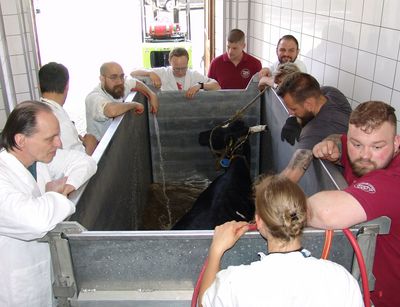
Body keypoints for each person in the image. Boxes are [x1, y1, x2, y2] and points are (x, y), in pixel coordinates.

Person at [198, 175, 363, 307]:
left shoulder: (236, 282)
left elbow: (204, 302)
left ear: (259, 221)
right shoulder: (339, 278)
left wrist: (216, 250)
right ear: (304, 216)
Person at [0, 101, 97, 306]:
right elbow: (36, 221)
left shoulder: (39, 159)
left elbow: (86, 162)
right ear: (20, 140)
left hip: (44, 276)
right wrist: (55, 195)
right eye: (50, 138)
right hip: (16, 289)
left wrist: (68, 186)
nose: (59, 144)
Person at [307, 101, 400, 307]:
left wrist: (281, 207)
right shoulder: (365, 157)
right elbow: (338, 140)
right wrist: (332, 145)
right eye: (356, 144)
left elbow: (326, 213)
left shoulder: (393, 179)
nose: (364, 155)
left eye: (377, 146)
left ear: (396, 143)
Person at [276, 72, 352, 183]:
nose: (290, 112)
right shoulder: (331, 93)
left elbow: (291, 176)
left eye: (294, 109)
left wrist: (262, 194)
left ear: (309, 104)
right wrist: (294, 118)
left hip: (345, 182)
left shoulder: (315, 131)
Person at [85, 61, 159, 141]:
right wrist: (134, 104)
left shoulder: (118, 88)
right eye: (113, 77)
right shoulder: (94, 97)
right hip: (99, 148)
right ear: (102, 79)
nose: (120, 81)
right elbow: (111, 111)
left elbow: (135, 83)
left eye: (121, 76)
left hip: (116, 141)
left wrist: (151, 94)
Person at [39, 62, 98, 155]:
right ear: (67, 86)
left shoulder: (36, 111)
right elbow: (80, 162)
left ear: (39, 86)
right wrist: (91, 144)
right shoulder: (60, 122)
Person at [131, 47, 220, 98]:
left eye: (183, 68)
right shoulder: (163, 73)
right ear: (170, 62)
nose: (180, 72)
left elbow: (216, 86)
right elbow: (132, 73)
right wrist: (150, 73)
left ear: (188, 62)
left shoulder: (194, 75)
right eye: (176, 69)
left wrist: (200, 85)